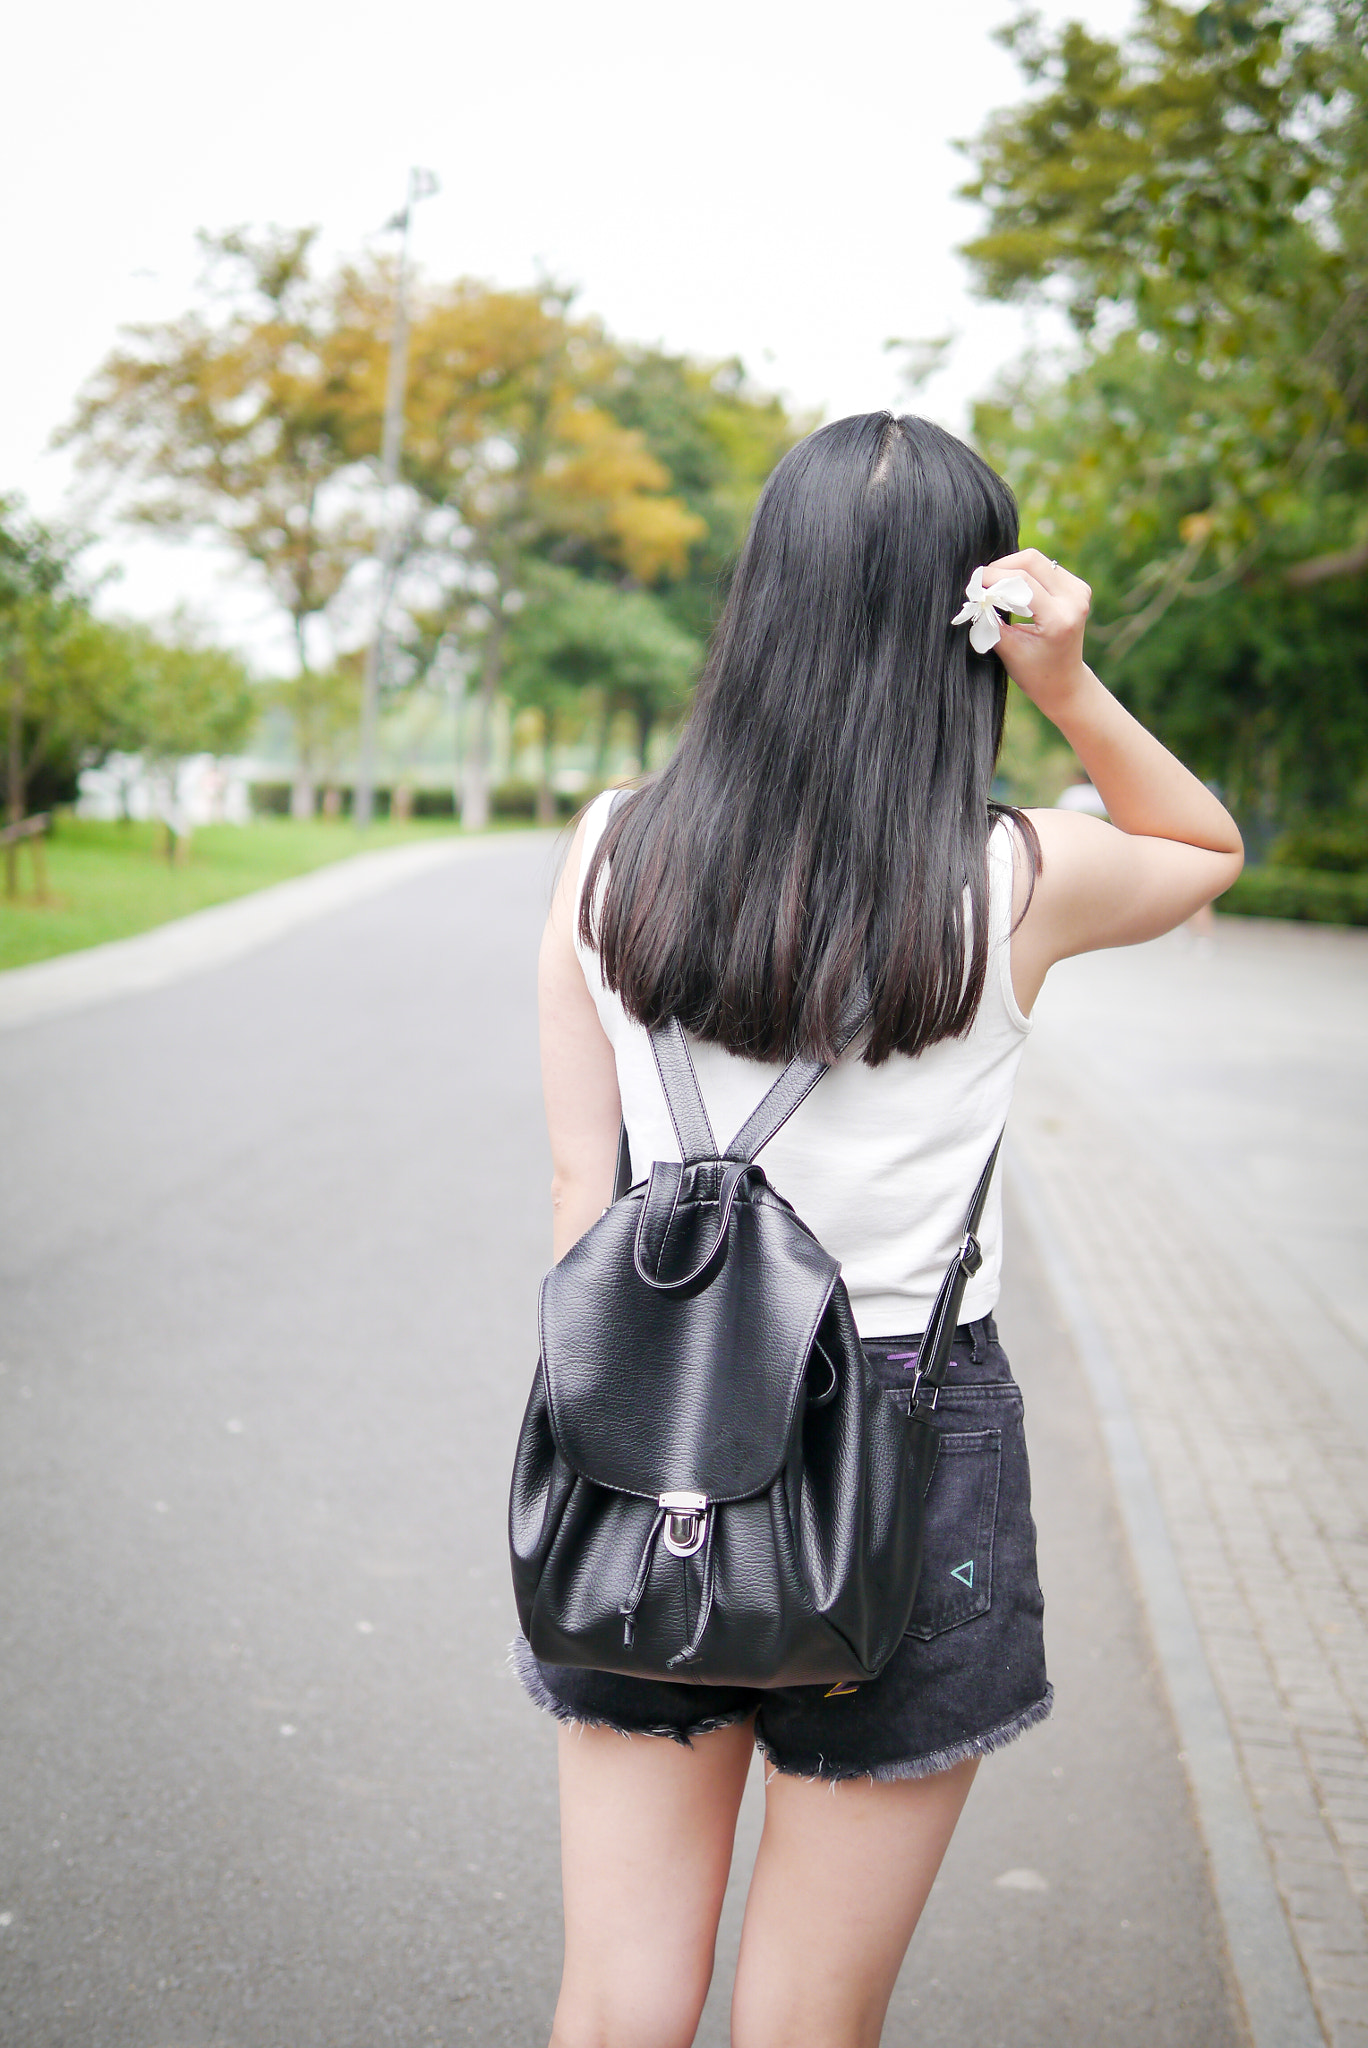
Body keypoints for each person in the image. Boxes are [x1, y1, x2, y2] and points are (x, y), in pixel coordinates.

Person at [523, 412, 1243, 2048]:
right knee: (809, 2019)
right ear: (970, 620)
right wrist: (1068, 684)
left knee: (620, 1998)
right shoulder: (1017, 876)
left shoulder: (608, 850)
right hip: (912, 1438)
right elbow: (1204, 844)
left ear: (759, 590)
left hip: (650, 1421)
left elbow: (583, 1199)